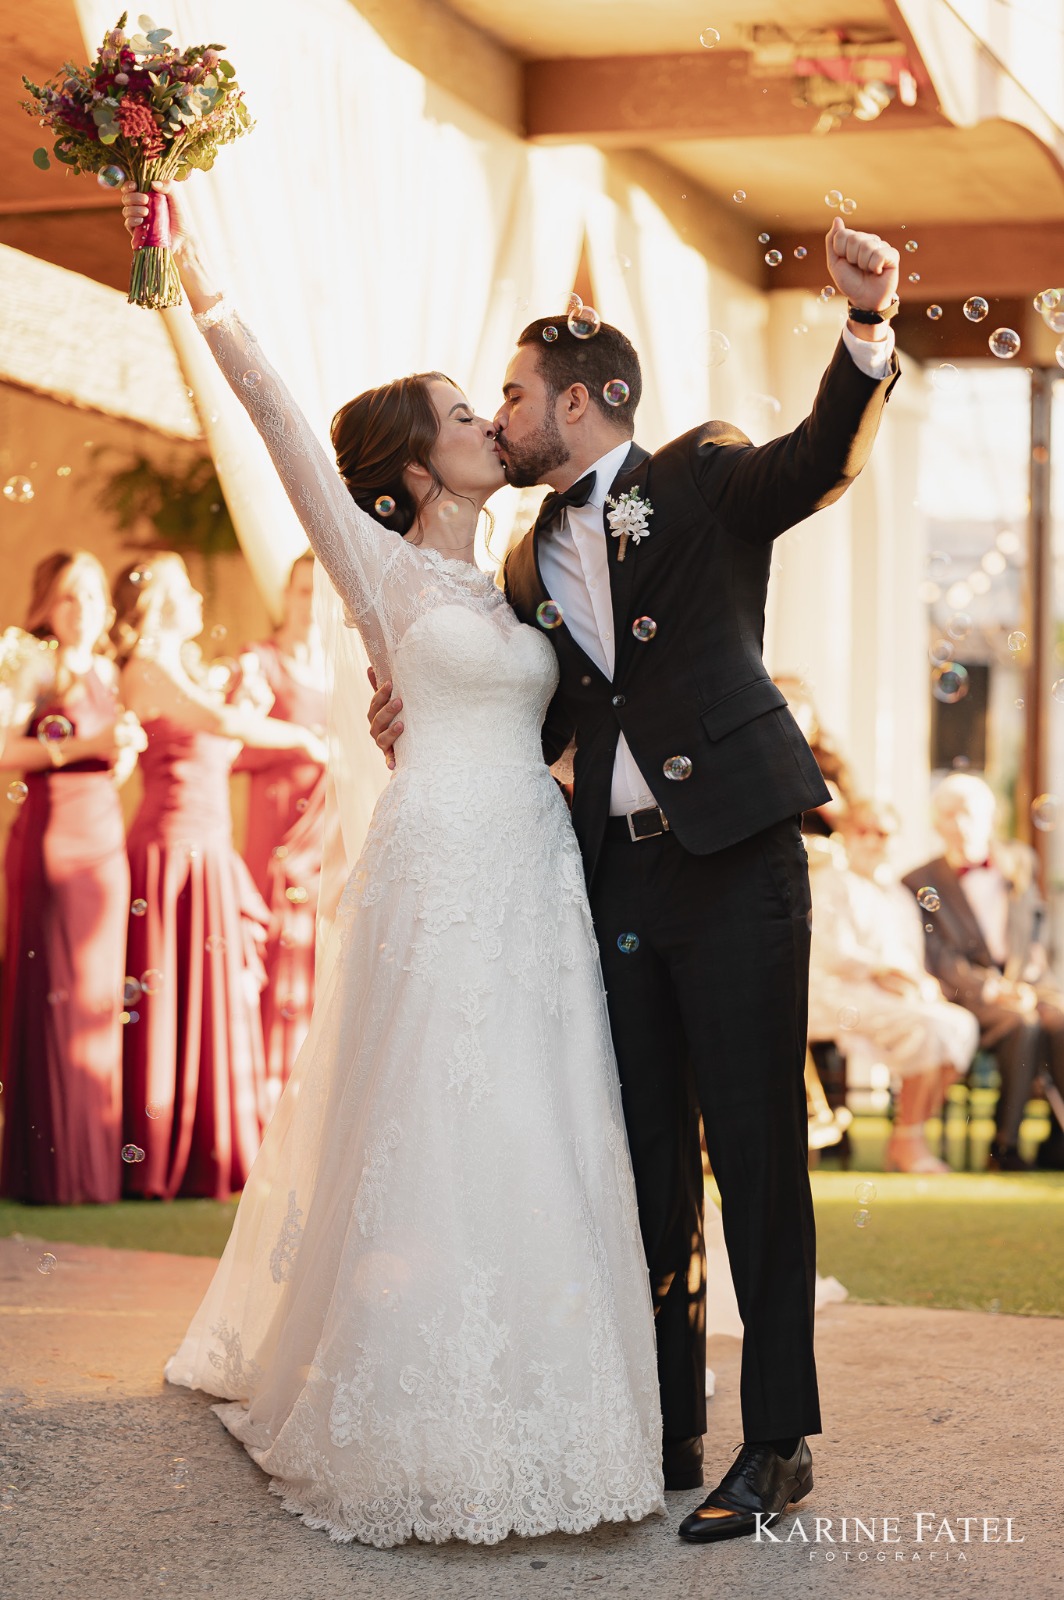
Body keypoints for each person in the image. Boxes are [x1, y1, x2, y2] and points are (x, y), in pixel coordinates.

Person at [122, 183, 664, 1548]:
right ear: (417, 468)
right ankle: (414, 1403)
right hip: (436, 861)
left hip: (536, 868)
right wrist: (198, 276)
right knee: (436, 1112)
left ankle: (559, 1411)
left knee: (545, 1115)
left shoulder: (525, 581)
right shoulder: (380, 573)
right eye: (468, 414)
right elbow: (285, 426)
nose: (495, 422)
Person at [370, 216, 901, 1542]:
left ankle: (778, 1441)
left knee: (758, 1154)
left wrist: (870, 327)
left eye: (511, 393)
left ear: (587, 398)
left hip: (737, 862)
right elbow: (538, 713)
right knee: (647, 1156)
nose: (499, 416)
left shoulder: (706, 474)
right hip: (610, 889)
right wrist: (419, 711)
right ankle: (666, 1429)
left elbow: (819, 461)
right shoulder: (523, 557)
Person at [114, 552, 326, 1200]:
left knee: (208, 996)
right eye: (180, 585)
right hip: (169, 851)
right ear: (153, 600)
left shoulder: (181, 670)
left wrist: (247, 709)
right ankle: (155, 1154)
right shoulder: (146, 667)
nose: (196, 597)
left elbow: (221, 746)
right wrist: (307, 740)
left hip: (210, 847)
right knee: (170, 998)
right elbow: (222, 726)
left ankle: (205, 1144)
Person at [0, 550, 143, 1204]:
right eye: (67, 596)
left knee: (93, 1000)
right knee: (55, 992)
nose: (81, 607)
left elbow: (109, 753)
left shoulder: (111, 673)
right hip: (52, 841)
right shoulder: (30, 665)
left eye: (90, 594)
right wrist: (87, 745)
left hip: (104, 842)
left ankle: (90, 1169)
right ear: (47, 606)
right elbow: (5, 752)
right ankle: (47, 1171)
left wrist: (124, 751)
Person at [903, 772, 1064, 1172]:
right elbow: (938, 958)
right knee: (1022, 1023)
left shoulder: (1021, 861)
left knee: (1059, 1020)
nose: (960, 824)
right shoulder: (918, 882)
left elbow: (1035, 930)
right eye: (948, 814)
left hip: (1025, 986)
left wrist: (1028, 981)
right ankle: (1004, 1148)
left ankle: (1057, 1141)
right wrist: (993, 989)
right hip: (969, 997)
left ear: (990, 817)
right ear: (936, 823)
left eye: (968, 813)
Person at [807, 799, 978, 1173]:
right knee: (928, 1026)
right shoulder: (829, 882)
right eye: (862, 830)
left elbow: (911, 959)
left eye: (881, 832)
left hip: (887, 995)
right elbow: (829, 951)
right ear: (846, 834)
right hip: (834, 992)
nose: (871, 840)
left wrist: (919, 982)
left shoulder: (899, 896)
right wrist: (882, 971)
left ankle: (908, 1133)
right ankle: (909, 1144)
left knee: (960, 1024)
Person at [235, 553, 327, 1114]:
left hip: (328, 832)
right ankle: (263, 1100)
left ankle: (308, 1094)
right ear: (284, 596)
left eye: (318, 592)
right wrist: (297, 740)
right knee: (272, 951)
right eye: (299, 591)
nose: (308, 603)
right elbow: (230, 744)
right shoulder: (258, 663)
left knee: (317, 956)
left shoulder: (344, 669)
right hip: (278, 832)